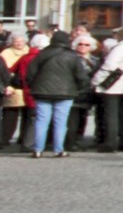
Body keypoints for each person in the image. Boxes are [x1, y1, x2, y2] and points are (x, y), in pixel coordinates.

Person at [24, 29, 87, 157]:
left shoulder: (42, 54)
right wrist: (77, 88)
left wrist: (34, 86)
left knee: (41, 121)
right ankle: (58, 149)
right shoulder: (72, 56)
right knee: (61, 122)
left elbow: (30, 74)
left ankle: (37, 149)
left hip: (42, 92)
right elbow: (81, 76)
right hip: (65, 93)